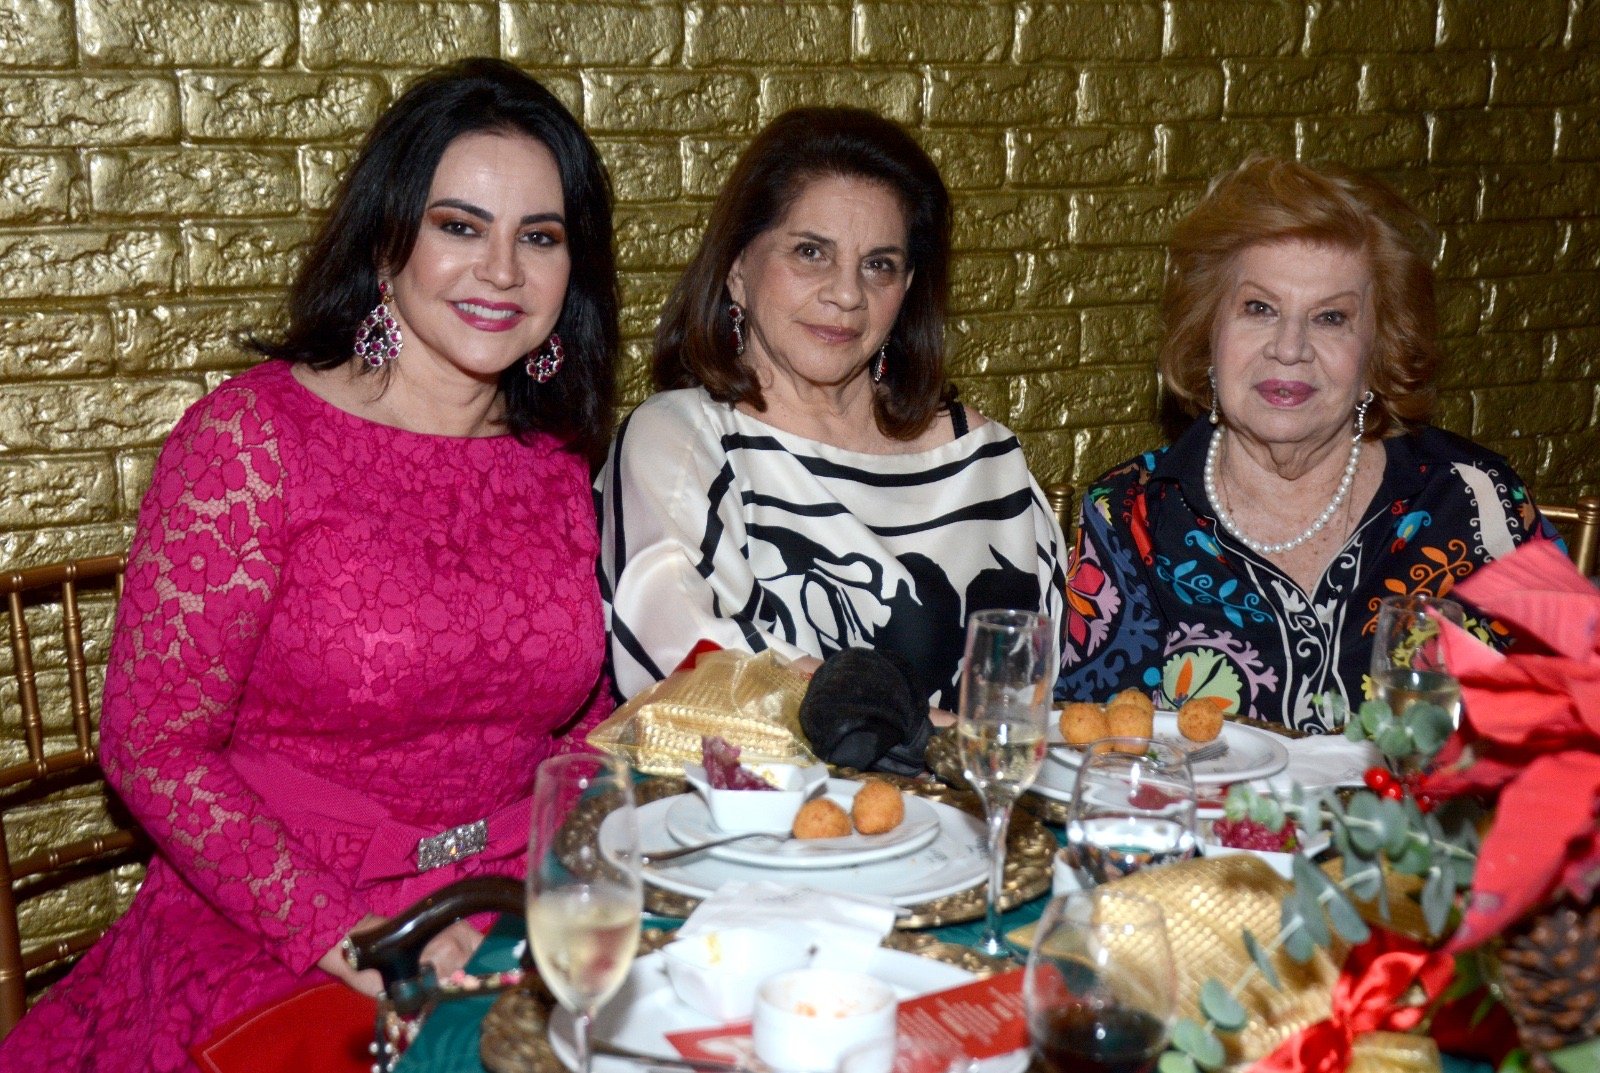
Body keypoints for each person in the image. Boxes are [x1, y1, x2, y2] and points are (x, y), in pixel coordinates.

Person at [0, 58, 618, 1071]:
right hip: (286, 916)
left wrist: (603, 832)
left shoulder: (552, 465)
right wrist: (355, 937)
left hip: (508, 900)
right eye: (459, 226)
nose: (502, 270)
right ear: (388, 241)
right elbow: (152, 745)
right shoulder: (252, 441)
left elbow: (577, 713)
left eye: (538, 237)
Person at [599, 106, 1066, 764]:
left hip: (971, 843)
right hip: (763, 846)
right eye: (810, 252)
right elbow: (677, 666)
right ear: (738, 267)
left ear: (907, 288)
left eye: (878, 265)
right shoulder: (683, 440)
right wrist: (921, 730)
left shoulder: (988, 462)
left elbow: (1043, 701)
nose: (846, 294)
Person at [1058, 157, 1558, 732]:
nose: (1289, 347)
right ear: (1208, 332)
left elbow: (1567, 725)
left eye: (1330, 317)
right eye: (1259, 308)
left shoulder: (1473, 499)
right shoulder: (1130, 515)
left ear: (1380, 349)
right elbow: (1093, 749)